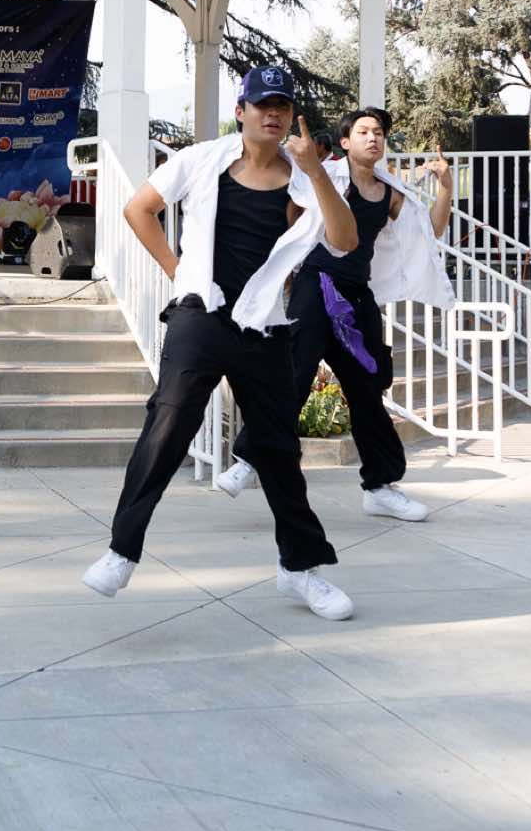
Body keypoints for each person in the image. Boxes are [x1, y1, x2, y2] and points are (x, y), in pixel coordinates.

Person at [82, 66, 361, 620]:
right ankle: (121, 551)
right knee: (167, 424)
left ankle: (299, 569)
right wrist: (176, 270)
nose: (272, 114)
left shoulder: (307, 180)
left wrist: (316, 173)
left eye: (282, 106)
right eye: (262, 104)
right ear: (241, 111)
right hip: (201, 315)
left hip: (263, 326)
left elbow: (345, 240)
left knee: (278, 450)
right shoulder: (201, 159)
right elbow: (139, 208)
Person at [212, 108, 455, 521]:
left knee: (368, 389)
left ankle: (379, 487)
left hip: (357, 297)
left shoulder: (389, 192)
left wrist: (446, 189)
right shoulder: (325, 176)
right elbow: (292, 213)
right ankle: (249, 461)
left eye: (378, 132)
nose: (373, 138)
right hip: (316, 285)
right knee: (294, 374)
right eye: (363, 131)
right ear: (345, 142)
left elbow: (429, 233)